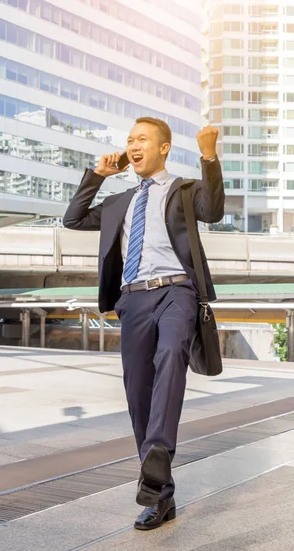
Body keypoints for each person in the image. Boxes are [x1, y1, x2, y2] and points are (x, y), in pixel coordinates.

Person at [63, 117, 224, 531]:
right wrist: (99, 175)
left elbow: (214, 210)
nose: (133, 146)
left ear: (164, 147)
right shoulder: (120, 202)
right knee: (137, 393)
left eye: (142, 140)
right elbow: (73, 219)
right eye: (129, 140)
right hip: (132, 299)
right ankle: (160, 495)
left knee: (172, 353)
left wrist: (209, 155)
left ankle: (156, 452)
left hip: (176, 290)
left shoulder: (184, 190)